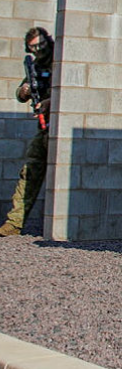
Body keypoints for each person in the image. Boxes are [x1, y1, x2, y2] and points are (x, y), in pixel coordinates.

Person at [0, 27, 54, 237]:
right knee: (29, 172)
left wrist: (51, 102)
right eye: (34, 47)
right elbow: (23, 91)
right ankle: (14, 222)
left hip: (59, 125)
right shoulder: (36, 66)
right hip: (44, 127)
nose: (38, 50)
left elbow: (71, 88)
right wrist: (23, 92)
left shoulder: (59, 60)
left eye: (41, 45)